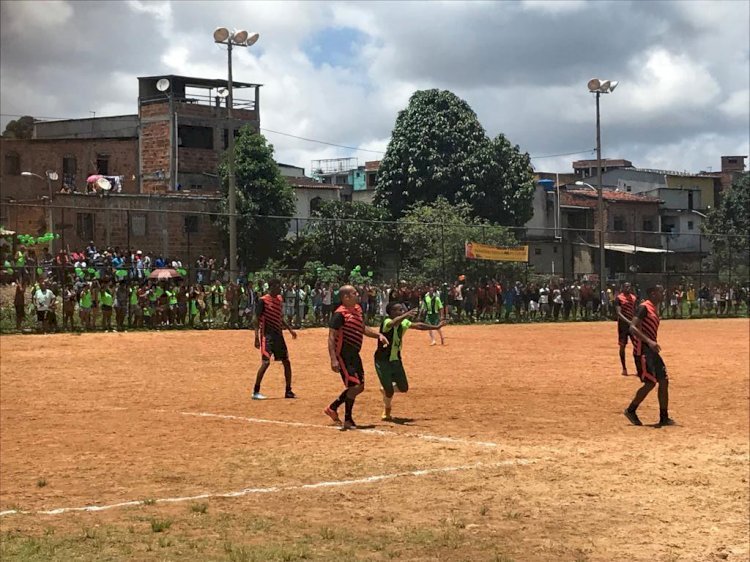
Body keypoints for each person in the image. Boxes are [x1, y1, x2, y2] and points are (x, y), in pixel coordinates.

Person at [324, 285, 388, 431]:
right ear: (346, 297)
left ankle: (333, 408)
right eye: (354, 293)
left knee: (360, 387)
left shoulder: (358, 309)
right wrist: (333, 359)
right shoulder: (339, 314)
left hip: (354, 355)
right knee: (354, 386)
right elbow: (331, 337)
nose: (357, 294)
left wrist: (378, 335)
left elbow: (363, 328)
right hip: (343, 355)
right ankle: (348, 419)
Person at [376, 302, 446, 421]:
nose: (401, 312)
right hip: (383, 360)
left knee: (404, 388)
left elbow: (419, 326)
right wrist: (407, 314)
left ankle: (387, 389)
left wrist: (436, 327)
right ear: (391, 312)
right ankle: (387, 410)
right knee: (389, 390)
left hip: (396, 359)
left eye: (402, 310)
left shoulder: (403, 323)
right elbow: (393, 323)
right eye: (399, 310)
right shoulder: (387, 322)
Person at [624, 285, 674, 427]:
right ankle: (631, 410)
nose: (662, 294)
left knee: (663, 380)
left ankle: (664, 417)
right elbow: (632, 327)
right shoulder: (644, 307)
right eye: (660, 292)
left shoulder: (653, 308)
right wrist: (649, 341)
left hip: (651, 350)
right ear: (652, 293)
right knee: (650, 382)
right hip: (643, 350)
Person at [252, 279, 297, 400]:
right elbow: (256, 319)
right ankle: (256, 391)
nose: (280, 289)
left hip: (278, 335)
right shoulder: (263, 301)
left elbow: (280, 317)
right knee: (266, 362)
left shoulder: (279, 299)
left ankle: (288, 390)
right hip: (267, 335)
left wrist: (289, 329)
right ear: (271, 287)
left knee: (286, 362)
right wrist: (256, 336)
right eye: (278, 287)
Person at [615, 282, 638, 377]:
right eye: (626, 286)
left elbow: (636, 311)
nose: (628, 288)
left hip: (632, 325)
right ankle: (624, 368)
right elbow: (619, 313)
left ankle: (638, 368)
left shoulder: (633, 298)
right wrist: (629, 322)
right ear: (622, 288)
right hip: (623, 326)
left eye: (629, 286)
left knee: (637, 346)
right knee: (622, 346)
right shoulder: (619, 298)